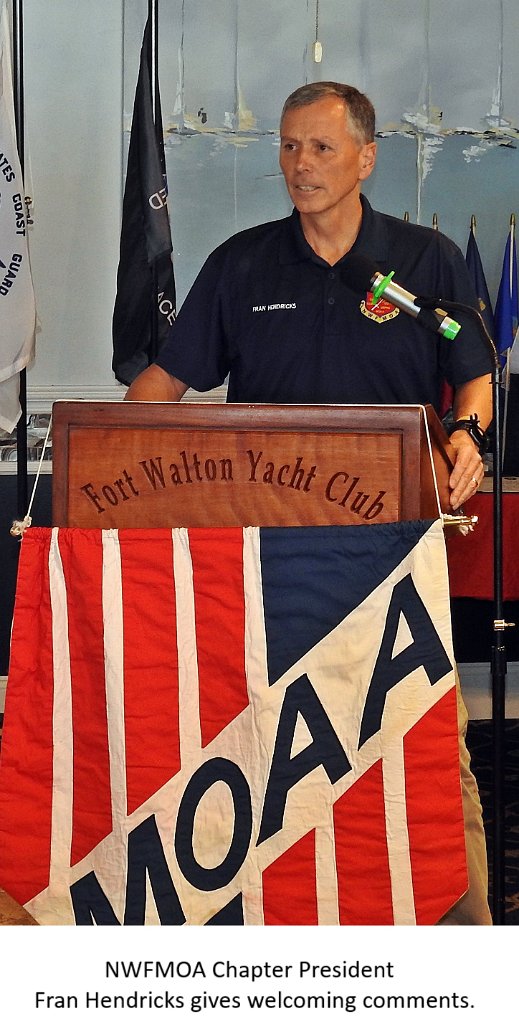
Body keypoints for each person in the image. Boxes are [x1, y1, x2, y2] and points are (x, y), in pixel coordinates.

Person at [125, 82, 494, 924]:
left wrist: (467, 435)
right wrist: (102, 449)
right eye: (288, 146)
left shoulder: (423, 262)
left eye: (321, 148)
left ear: (366, 158)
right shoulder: (242, 263)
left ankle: (466, 941)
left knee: (423, 750)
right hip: (265, 561)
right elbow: (167, 383)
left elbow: (472, 371)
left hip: (395, 554)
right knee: (266, 750)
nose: (299, 164)